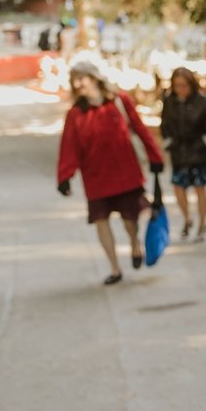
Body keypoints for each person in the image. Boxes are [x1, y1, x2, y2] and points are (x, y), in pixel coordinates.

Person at [54, 61, 163, 285]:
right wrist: (65, 176)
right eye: (74, 80)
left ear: (94, 78)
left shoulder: (120, 101)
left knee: (129, 220)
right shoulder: (76, 113)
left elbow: (140, 128)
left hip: (125, 171)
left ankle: (134, 244)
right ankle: (114, 268)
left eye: (81, 78)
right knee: (101, 220)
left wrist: (155, 156)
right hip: (95, 176)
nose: (77, 84)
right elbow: (69, 145)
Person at [158, 67, 206, 244]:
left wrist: (205, 143)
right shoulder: (170, 102)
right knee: (178, 188)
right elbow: (165, 125)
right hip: (179, 151)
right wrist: (169, 141)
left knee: (200, 188)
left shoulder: (202, 101)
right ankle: (187, 219)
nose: (180, 89)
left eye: (184, 85)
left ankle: (202, 223)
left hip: (199, 152)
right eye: (177, 85)